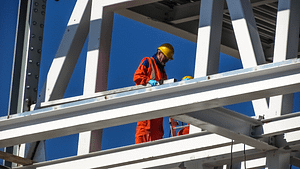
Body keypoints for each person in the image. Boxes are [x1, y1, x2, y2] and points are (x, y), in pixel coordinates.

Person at [133, 43, 174, 144]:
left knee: (157, 134)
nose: (166, 61)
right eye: (165, 58)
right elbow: (137, 77)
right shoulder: (148, 61)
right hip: (146, 104)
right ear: (159, 53)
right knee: (144, 130)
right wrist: (147, 81)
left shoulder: (163, 71)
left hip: (157, 106)